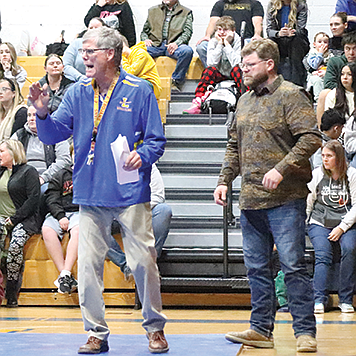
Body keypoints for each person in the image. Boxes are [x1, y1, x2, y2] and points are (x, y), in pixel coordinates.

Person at [28, 26, 168, 354]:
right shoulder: (78, 92)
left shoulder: (140, 91)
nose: (84, 56)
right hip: (90, 192)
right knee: (88, 266)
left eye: (90, 50)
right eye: (84, 51)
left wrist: (142, 155)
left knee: (143, 262)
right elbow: (51, 135)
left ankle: (155, 327)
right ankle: (96, 333)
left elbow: (156, 140)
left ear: (110, 54)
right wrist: (43, 111)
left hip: (130, 191)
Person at [213, 38, 321, 352]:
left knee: (293, 265)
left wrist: (282, 168)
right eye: (243, 65)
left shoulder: (291, 95)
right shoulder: (243, 100)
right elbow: (234, 146)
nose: (243, 70)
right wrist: (224, 180)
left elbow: (312, 138)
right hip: (250, 201)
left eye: (250, 65)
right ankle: (261, 329)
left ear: (269, 65)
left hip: (286, 200)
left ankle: (304, 333)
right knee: (256, 269)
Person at [307, 140, 356, 314]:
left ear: (339, 157)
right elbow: (309, 201)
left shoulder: (351, 174)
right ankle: (319, 299)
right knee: (323, 254)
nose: (325, 159)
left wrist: (342, 227)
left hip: (345, 223)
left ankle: (345, 299)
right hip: (320, 222)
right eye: (323, 156)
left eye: (329, 156)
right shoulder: (316, 175)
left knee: (350, 249)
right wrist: (303, 225)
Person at [107, 163, 172, 279]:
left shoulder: (148, 164)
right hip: (115, 217)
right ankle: (127, 266)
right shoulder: (105, 165)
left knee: (163, 210)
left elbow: (158, 196)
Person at [0, 139, 40, 307]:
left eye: (1, 151)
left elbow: (33, 200)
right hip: (2, 217)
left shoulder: (28, 172)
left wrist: (14, 219)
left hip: (24, 218)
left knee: (16, 244)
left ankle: (11, 288)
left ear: (13, 153)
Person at [183, 16, 242, 114]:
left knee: (238, 69)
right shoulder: (214, 41)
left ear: (233, 31)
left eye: (225, 30)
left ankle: (244, 101)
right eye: (219, 29)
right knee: (209, 70)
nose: (222, 33)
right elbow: (211, 63)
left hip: (233, 74)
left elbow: (236, 62)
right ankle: (198, 102)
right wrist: (220, 44)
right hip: (219, 74)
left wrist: (227, 44)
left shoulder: (238, 40)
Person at [42, 144, 78, 294]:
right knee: (47, 229)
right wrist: (60, 216)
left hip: (79, 213)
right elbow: (51, 197)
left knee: (78, 230)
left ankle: (65, 273)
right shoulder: (61, 174)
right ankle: (64, 274)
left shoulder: (94, 174)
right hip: (59, 213)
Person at [11, 105, 71, 194]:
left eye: (35, 115)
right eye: (29, 115)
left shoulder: (56, 134)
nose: (31, 118)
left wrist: (43, 178)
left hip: (48, 179)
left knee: (42, 192)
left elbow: (64, 160)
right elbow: (8, 155)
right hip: (22, 178)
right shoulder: (19, 135)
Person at [140, 0, 194, 92]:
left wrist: (177, 43)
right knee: (137, 51)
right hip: (155, 45)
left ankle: (176, 82)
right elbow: (144, 31)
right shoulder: (153, 10)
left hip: (174, 45)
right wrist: (145, 39)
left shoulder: (186, 12)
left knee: (187, 51)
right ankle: (142, 81)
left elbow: (187, 32)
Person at [196, 0, 264, 68]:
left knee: (253, 44)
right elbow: (213, 22)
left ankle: (245, 72)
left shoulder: (254, 3)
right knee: (202, 46)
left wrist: (257, 34)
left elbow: (258, 22)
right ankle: (213, 72)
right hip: (222, 40)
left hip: (245, 40)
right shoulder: (220, 4)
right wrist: (207, 35)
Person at [266, 0, 310, 87]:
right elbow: (269, 30)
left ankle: (296, 84)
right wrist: (279, 33)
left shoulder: (301, 4)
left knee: (296, 42)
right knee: (270, 42)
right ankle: (271, 81)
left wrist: (291, 32)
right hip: (279, 37)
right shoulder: (272, 4)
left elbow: (301, 28)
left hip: (296, 37)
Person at [317, 31, 356, 126]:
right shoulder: (335, 61)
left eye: (355, 49)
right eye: (348, 49)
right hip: (340, 93)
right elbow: (329, 83)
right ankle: (323, 131)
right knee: (324, 93)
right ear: (344, 49)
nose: (351, 53)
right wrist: (346, 88)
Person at [63, 17, 106, 82]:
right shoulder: (76, 43)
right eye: (91, 28)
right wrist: (81, 78)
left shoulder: (107, 45)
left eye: (96, 28)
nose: (93, 30)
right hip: (76, 82)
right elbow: (66, 65)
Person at [304, 32, 332, 102]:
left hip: (325, 75)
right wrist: (320, 54)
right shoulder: (312, 53)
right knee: (317, 81)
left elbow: (332, 66)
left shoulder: (330, 54)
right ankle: (319, 100)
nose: (322, 44)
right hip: (313, 76)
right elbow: (314, 65)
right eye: (319, 42)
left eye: (325, 42)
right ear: (314, 44)